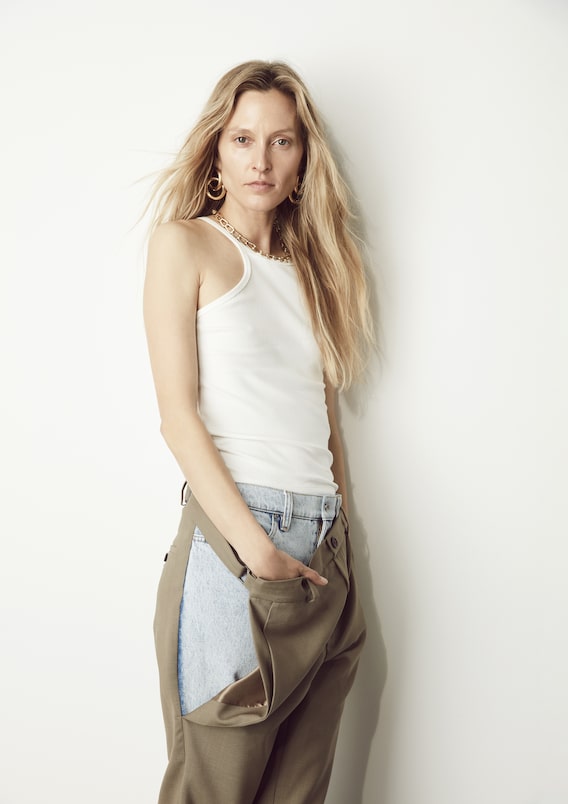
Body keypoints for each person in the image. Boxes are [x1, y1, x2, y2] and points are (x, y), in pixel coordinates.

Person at [142, 59, 374, 804]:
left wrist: (343, 544)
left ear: (303, 158)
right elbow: (178, 417)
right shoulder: (186, 245)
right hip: (239, 545)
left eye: (282, 141)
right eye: (243, 139)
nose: (261, 160)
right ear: (217, 147)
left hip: (326, 544)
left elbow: (326, 423)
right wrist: (258, 553)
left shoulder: (318, 269)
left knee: (298, 793)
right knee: (214, 786)